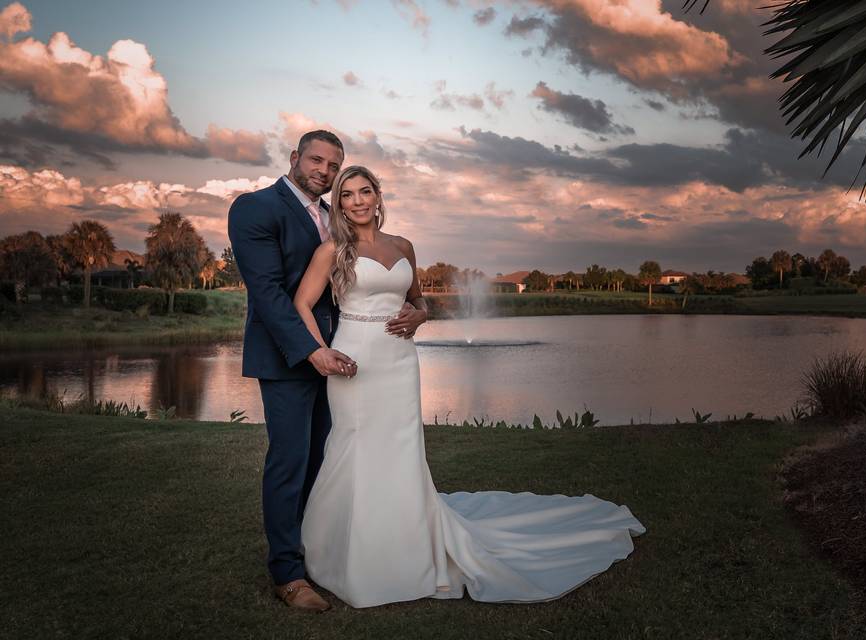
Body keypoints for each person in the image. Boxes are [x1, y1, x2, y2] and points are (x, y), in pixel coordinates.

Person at [293, 165, 645, 609]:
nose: (358, 201)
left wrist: (421, 314)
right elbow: (301, 304)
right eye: (347, 195)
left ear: (379, 196)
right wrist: (320, 352)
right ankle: (344, 549)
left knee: (402, 448)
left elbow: (418, 299)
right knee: (354, 444)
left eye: (366, 191)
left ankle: (407, 543)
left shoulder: (403, 245)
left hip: (400, 359)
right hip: (354, 359)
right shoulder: (331, 250)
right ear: (340, 204)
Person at [227, 130, 358, 611]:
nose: (324, 171)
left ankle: (311, 550)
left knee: (323, 458)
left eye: (333, 165)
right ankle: (286, 573)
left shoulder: (333, 218)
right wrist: (310, 351)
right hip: (287, 358)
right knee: (290, 461)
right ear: (295, 158)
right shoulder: (255, 207)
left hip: (335, 355)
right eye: (317, 160)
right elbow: (268, 293)